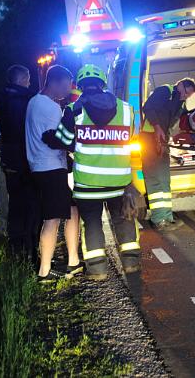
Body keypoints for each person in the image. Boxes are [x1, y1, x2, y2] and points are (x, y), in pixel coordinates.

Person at [49, 64, 140, 281]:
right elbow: (131, 137)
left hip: (88, 184)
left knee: (91, 223)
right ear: (102, 84)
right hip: (120, 181)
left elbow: (63, 141)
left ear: (80, 86)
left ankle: (98, 270)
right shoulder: (126, 109)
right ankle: (132, 264)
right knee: (124, 219)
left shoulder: (74, 110)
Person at [25, 65, 82, 281]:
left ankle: (73, 261)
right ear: (55, 82)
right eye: (67, 86)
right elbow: (56, 139)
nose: (68, 91)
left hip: (42, 167)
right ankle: (44, 271)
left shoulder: (34, 102)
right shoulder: (49, 107)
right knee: (52, 219)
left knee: (71, 210)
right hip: (50, 167)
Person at [141, 78, 195, 231]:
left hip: (162, 141)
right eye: (186, 93)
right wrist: (158, 128)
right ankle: (159, 219)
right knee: (154, 179)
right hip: (149, 138)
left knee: (165, 180)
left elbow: (183, 120)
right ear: (179, 85)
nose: (186, 97)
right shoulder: (164, 90)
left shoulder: (180, 102)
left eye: (189, 96)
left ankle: (168, 217)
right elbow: (148, 107)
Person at [0, 64, 36, 258]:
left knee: (15, 203)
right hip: (24, 157)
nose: (29, 83)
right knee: (30, 202)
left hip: (9, 157)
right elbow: (26, 130)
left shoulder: (2, 99)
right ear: (21, 79)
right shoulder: (25, 100)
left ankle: (15, 246)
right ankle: (29, 248)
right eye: (28, 79)